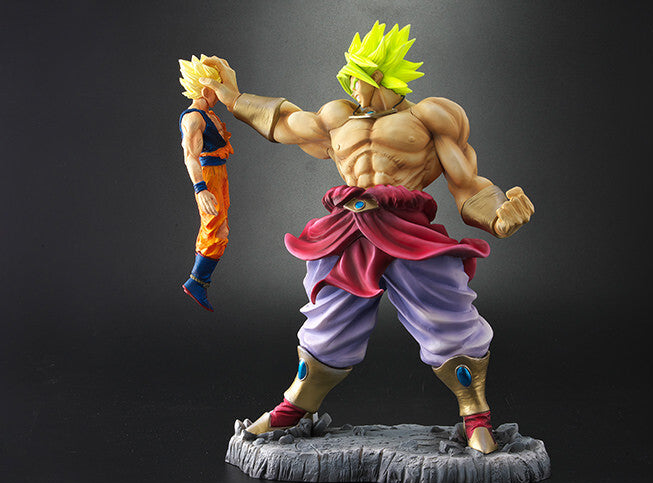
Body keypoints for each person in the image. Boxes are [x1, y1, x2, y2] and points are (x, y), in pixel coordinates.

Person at [200, 22, 534, 453]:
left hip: (407, 228)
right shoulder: (338, 116)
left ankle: (476, 415)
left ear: (379, 76)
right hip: (348, 227)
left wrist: (498, 217)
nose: (350, 87)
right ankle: (293, 407)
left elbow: (467, 184)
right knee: (328, 318)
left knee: (447, 314)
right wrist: (232, 97)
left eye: (356, 78)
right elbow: (285, 122)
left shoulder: (431, 116)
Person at [178, 55, 234, 311]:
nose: (218, 94)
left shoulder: (207, 114)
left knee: (220, 227)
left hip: (219, 174)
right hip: (208, 175)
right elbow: (190, 156)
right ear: (205, 89)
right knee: (215, 228)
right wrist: (200, 189)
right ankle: (197, 281)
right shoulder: (193, 118)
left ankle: (199, 281)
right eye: (215, 88)